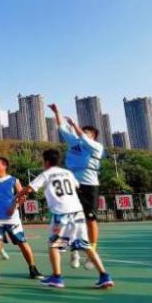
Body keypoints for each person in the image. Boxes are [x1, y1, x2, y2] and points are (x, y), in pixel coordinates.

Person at [15, 149, 114, 289]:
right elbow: (76, 187)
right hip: (77, 213)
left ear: (46, 162)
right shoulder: (68, 173)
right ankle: (104, 276)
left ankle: (57, 277)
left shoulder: (46, 174)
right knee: (86, 245)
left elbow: (29, 189)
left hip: (61, 214)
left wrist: (14, 198)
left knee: (54, 245)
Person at [49, 103, 104, 270]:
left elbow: (81, 135)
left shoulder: (96, 147)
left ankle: (91, 251)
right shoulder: (74, 142)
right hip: (73, 185)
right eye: (83, 131)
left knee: (90, 220)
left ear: (93, 136)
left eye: (87, 132)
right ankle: (74, 251)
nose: (83, 133)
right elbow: (61, 128)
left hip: (89, 186)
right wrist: (57, 111)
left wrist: (74, 124)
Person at [0, 157, 43, 283]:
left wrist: (14, 206)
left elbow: (23, 196)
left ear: (4, 166)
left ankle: (33, 269)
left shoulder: (14, 180)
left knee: (22, 242)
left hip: (12, 218)